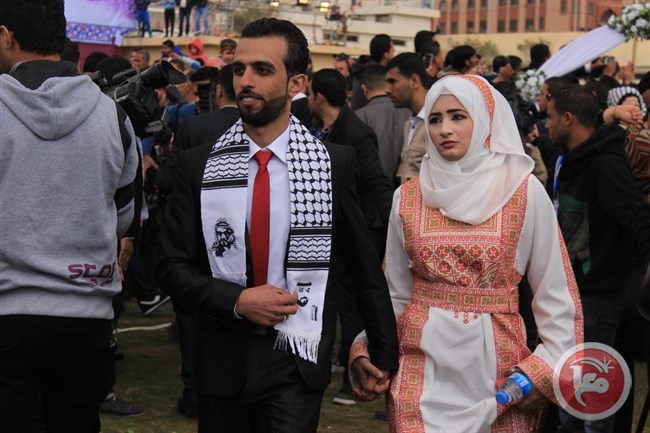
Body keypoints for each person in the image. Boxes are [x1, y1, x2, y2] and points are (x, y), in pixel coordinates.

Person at [155, 17, 398, 432]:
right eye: (239, 69)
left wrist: (381, 352)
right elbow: (170, 266)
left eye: (262, 70)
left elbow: (362, 266)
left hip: (297, 358)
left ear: (296, 83)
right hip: (221, 359)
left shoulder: (332, 164)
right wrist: (237, 300)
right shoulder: (198, 166)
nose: (245, 81)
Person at [351, 75, 583, 432]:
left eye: (458, 116)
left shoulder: (523, 192)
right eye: (435, 119)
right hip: (420, 374)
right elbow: (394, 293)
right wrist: (367, 348)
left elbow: (556, 293)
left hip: (498, 377)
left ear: (486, 120)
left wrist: (548, 369)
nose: (444, 128)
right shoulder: (407, 198)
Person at [0, 1, 139, 432]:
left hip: (11, 313)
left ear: (6, 36)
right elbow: (126, 215)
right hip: (87, 316)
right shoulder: (113, 115)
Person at [548, 85, 650, 433]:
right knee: (571, 392)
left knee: (593, 400)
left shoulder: (605, 164)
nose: (546, 125)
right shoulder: (577, 156)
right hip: (573, 292)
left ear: (567, 119)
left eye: (550, 117)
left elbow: (639, 219)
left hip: (600, 294)